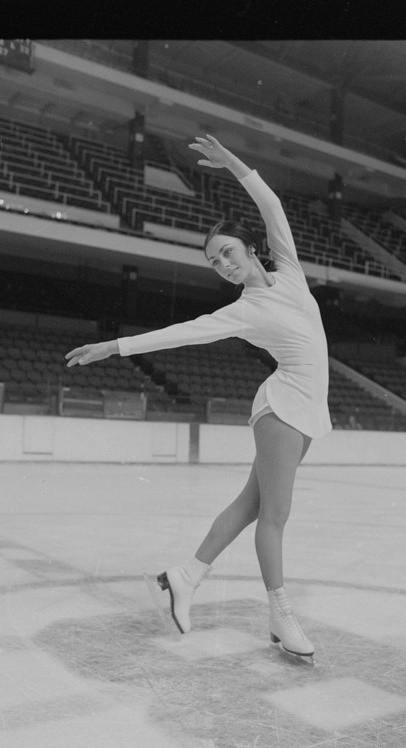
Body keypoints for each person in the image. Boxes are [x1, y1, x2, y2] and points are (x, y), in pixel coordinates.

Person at [66, 135, 332, 664]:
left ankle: (183, 578)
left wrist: (234, 162)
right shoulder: (242, 310)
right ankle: (280, 614)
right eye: (214, 263)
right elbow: (179, 333)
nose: (224, 265)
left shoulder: (291, 273)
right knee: (274, 517)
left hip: (304, 409)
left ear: (251, 249)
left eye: (228, 253)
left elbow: (272, 206)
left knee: (250, 507)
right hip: (281, 408)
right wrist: (115, 347)